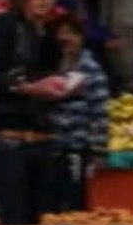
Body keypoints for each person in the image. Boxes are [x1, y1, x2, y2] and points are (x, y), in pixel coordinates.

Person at [0, 0, 66, 225]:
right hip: (13, 142)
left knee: (47, 222)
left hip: (46, 140)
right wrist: (27, 87)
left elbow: (52, 72)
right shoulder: (4, 26)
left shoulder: (50, 32)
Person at [46, 13, 110, 212]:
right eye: (60, 34)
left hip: (76, 149)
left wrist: (99, 150)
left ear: (81, 38)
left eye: (70, 33)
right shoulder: (49, 68)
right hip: (49, 150)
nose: (65, 39)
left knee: (74, 206)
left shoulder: (91, 70)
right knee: (51, 207)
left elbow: (100, 112)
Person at [58, 0, 120, 86]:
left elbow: (94, 25)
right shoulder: (66, 6)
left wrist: (110, 36)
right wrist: (103, 41)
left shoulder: (84, 5)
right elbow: (82, 30)